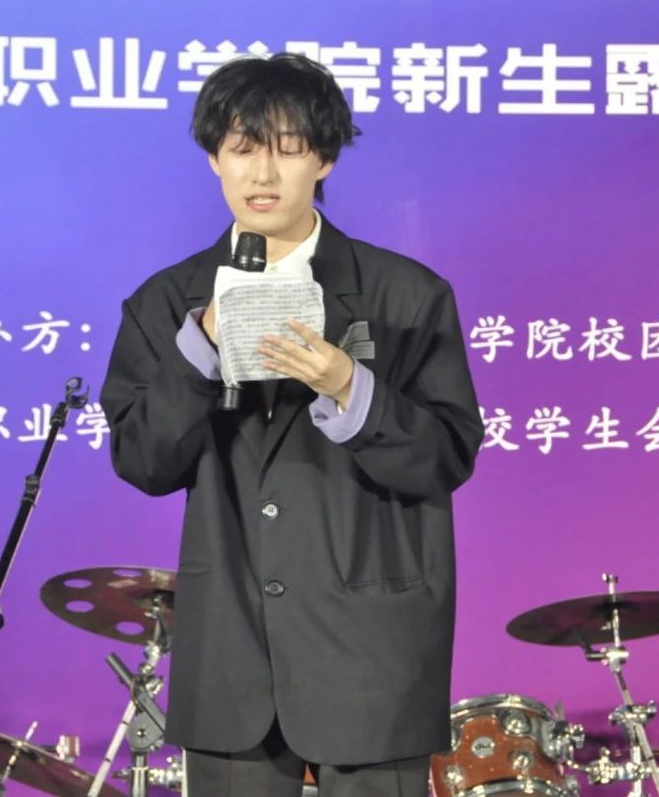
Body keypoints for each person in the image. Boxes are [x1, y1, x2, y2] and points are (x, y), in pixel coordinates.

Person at [100, 52, 482, 797]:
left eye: (288, 148)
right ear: (214, 159)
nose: (263, 173)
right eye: (242, 148)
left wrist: (348, 387)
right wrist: (200, 349)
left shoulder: (405, 296)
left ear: (325, 159)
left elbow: (445, 457)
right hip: (231, 657)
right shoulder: (168, 302)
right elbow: (143, 461)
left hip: (371, 656)